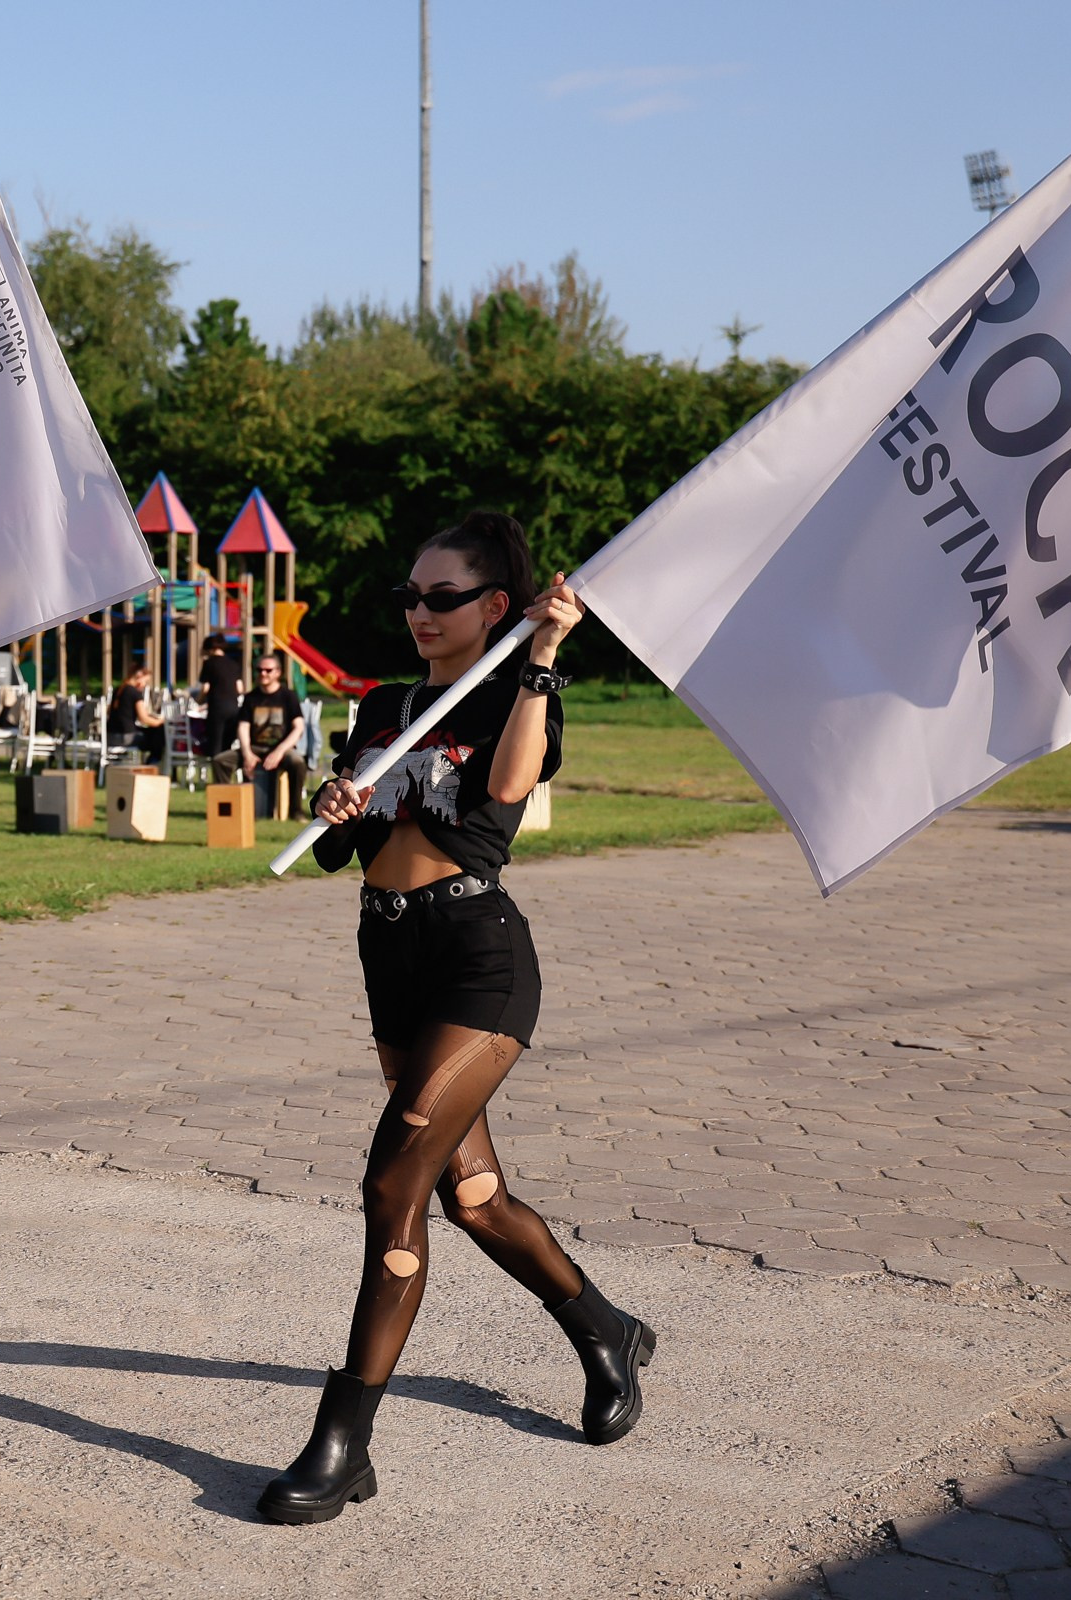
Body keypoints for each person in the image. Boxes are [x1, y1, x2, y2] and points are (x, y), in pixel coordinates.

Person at [256, 510, 652, 1525]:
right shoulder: (388, 701)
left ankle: (342, 1443)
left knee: (395, 1182)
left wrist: (548, 651)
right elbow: (355, 841)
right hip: (390, 954)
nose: (418, 613)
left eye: (442, 598)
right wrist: (341, 797)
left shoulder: (518, 693)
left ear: (493, 607)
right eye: (410, 596)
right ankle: (604, 1329)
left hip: (479, 960)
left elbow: (509, 789)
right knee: (472, 1196)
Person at [221, 653, 309, 819]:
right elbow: (243, 726)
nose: (263, 674)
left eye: (268, 670)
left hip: (281, 748)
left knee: (298, 763)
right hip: (254, 748)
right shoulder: (250, 698)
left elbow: (298, 727)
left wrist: (279, 751)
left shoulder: (288, 696)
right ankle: (226, 809)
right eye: (259, 670)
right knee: (221, 761)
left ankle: (295, 811)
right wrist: (247, 753)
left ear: (278, 672)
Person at [194, 637, 243, 758]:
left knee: (215, 743)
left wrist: (197, 702)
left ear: (210, 649)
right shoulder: (233, 663)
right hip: (234, 707)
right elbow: (240, 688)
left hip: (217, 707)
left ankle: (216, 769)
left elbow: (206, 687)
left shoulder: (209, 663)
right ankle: (226, 767)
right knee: (227, 742)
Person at [107, 665, 166, 762]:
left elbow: (110, 711)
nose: (145, 685)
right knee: (158, 735)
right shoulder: (135, 693)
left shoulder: (118, 690)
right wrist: (161, 722)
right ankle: (153, 762)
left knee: (151, 733)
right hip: (126, 737)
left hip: (111, 736)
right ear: (139, 677)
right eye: (145, 681)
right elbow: (144, 718)